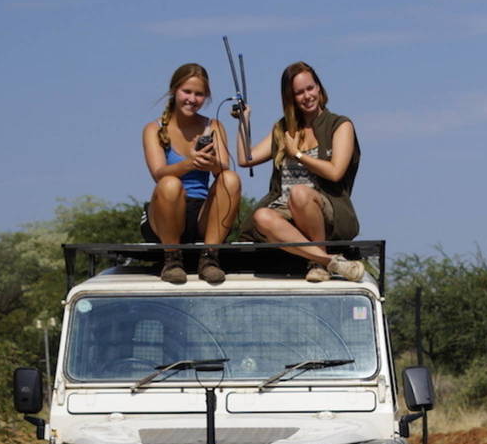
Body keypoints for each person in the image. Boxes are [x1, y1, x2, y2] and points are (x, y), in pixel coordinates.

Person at [237, 62, 363, 282]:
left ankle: (316, 261)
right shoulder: (283, 129)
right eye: (299, 92)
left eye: (310, 88)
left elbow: (335, 173)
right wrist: (243, 120)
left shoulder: (340, 125)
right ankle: (328, 261)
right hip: (285, 207)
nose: (307, 96)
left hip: (324, 207)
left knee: (300, 193)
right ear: (290, 98)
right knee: (261, 215)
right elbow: (245, 159)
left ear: (319, 89)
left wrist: (297, 155)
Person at [142, 63, 241, 284]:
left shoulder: (213, 125)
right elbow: (158, 173)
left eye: (199, 94)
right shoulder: (154, 129)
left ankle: (209, 258)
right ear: (174, 91)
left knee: (230, 179)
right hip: (166, 212)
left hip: (201, 213)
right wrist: (191, 163)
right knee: (169, 184)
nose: (192, 99)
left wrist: (210, 162)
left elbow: (224, 167)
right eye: (187, 92)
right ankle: (172, 259)